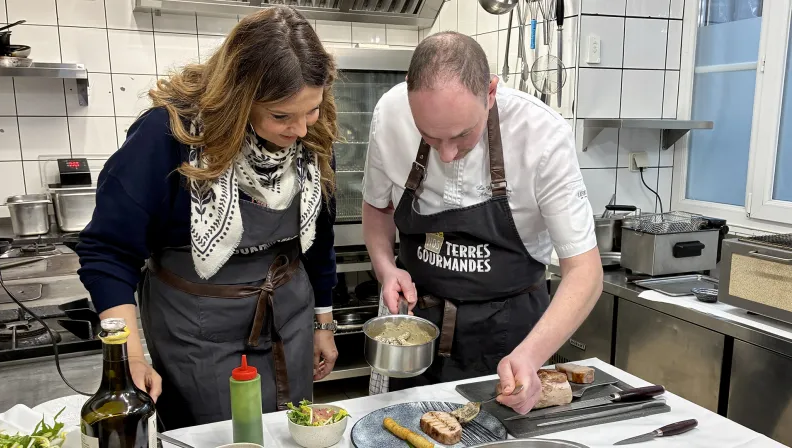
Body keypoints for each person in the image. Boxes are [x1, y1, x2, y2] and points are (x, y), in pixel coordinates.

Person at [76, 6, 340, 430]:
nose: (301, 130)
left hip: (288, 320)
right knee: (216, 436)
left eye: (310, 110)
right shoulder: (168, 137)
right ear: (239, 98)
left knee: (291, 430)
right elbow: (108, 252)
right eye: (281, 116)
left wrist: (322, 324)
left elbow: (319, 239)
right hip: (195, 334)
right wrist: (132, 358)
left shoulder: (313, 132)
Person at [363, 31, 604, 414]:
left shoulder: (542, 136)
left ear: (490, 91)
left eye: (462, 135)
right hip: (415, 326)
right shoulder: (390, 113)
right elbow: (377, 207)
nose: (446, 154)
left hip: (510, 334)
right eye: (429, 135)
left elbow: (585, 272)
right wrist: (385, 267)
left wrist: (530, 356)